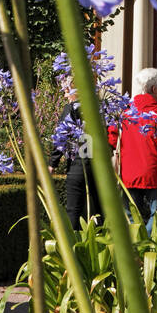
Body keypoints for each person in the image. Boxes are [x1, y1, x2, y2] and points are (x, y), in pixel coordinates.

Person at [114, 68, 157, 231]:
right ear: (153, 88)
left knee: (129, 215)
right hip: (154, 174)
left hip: (128, 174)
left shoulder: (125, 110)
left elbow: (112, 136)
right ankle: (150, 247)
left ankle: (134, 249)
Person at [50, 74, 101, 228]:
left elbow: (61, 136)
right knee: (98, 209)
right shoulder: (100, 106)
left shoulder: (72, 108)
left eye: (67, 90)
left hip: (79, 164)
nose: (65, 95)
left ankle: (74, 247)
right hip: (99, 165)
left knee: (74, 210)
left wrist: (52, 163)